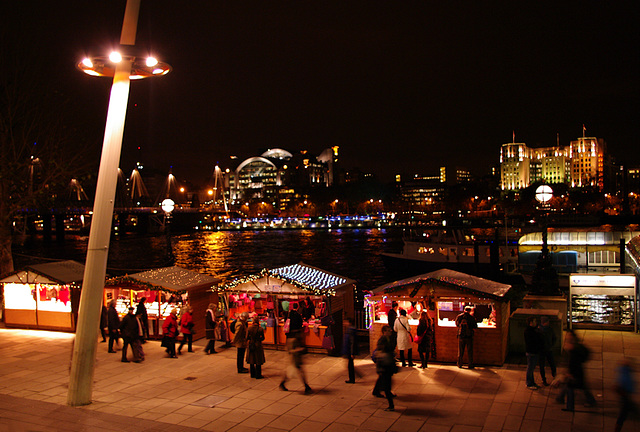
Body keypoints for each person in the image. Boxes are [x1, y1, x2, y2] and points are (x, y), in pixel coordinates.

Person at [556, 329, 596, 411]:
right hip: (575, 371)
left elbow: (573, 362)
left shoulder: (575, 349)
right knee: (577, 386)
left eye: (569, 335)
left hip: (575, 372)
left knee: (572, 387)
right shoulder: (574, 347)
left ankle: (568, 404)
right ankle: (561, 399)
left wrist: (570, 373)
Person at [280, 330, 312, 394]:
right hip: (294, 360)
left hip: (297, 359)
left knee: (295, 373)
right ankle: (306, 386)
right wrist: (298, 350)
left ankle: (306, 386)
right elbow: (290, 351)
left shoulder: (298, 341)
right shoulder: (292, 341)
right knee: (295, 373)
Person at [372, 325, 396, 411]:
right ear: (385, 331)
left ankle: (376, 391)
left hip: (387, 366)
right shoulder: (382, 340)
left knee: (384, 380)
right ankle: (391, 404)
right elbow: (379, 354)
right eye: (389, 331)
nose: (391, 332)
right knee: (386, 386)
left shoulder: (388, 339)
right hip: (385, 366)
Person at [614, 358, 636, 432]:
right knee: (623, 414)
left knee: (625, 413)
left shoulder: (625, 373)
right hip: (625, 397)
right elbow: (618, 387)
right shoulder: (625, 376)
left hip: (626, 397)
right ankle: (617, 429)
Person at [524, 316, 542, 389]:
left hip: (533, 351)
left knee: (531, 368)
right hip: (532, 351)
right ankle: (529, 383)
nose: (536, 323)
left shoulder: (531, 330)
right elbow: (535, 340)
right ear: (531, 323)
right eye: (534, 321)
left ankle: (532, 382)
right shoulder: (530, 332)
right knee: (530, 368)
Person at [538, 315, 557, 386]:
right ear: (546, 322)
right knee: (552, 363)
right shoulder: (549, 329)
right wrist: (551, 345)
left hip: (542, 350)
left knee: (542, 365)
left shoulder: (539, 330)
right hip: (548, 349)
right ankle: (554, 375)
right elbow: (554, 338)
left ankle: (544, 379)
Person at [342, 318, 359, 383]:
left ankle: (352, 379)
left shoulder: (350, 330)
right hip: (349, 350)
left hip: (349, 351)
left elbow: (352, 342)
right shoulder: (350, 330)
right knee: (350, 365)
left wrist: (352, 352)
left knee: (350, 365)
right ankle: (353, 378)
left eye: (345, 322)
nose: (344, 323)